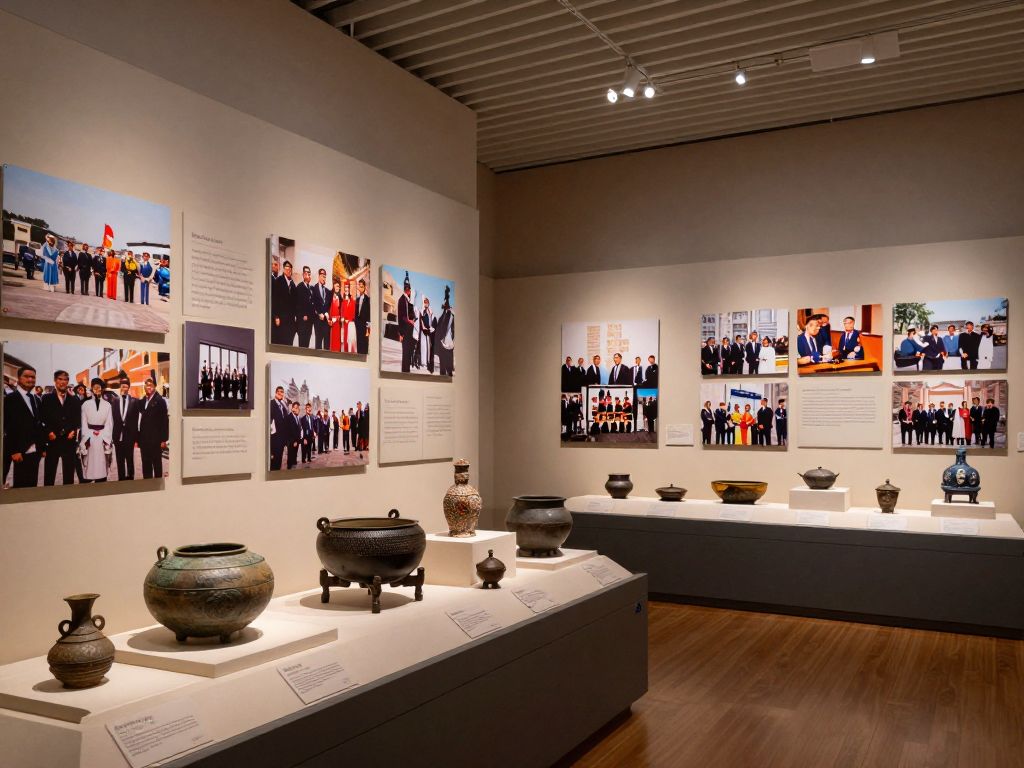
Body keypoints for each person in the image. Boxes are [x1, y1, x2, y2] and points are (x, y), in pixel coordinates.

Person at [39, 370, 82, 486]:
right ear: (55, 380)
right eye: (60, 379)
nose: (63, 382)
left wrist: (73, 430)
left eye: (65, 379)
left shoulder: (74, 400)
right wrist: (48, 432)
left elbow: (77, 419)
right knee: (49, 474)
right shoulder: (46, 398)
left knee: (68, 475)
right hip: (53, 441)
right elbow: (42, 418)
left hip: (69, 441)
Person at [4, 365, 43, 487]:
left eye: (33, 377)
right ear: (19, 378)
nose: (30, 379)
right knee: (20, 485)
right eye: (26, 376)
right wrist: (14, 450)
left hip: (35, 450)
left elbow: (38, 423)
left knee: (32, 485)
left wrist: (41, 447)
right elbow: (8, 427)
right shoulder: (10, 399)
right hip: (20, 450)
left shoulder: (36, 399)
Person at [79, 378, 113, 483]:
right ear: (92, 388)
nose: (97, 389)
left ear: (102, 389)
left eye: (99, 387)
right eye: (95, 386)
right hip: (90, 436)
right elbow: (83, 423)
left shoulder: (107, 405)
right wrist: (88, 435)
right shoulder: (85, 404)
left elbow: (109, 423)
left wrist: (104, 436)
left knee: (102, 466)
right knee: (90, 466)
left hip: (102, 437)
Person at [137, 378, 168, 479]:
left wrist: (163, 440)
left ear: (154, 386)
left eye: (150, 385)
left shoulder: (160, 401)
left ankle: (158, 488)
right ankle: (148, 487)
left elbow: (164, 421)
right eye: (146, 385)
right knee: (146, 466)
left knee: (157, 466)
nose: (148, 387)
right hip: (144, 440)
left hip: (156, 440)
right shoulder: (142, 401)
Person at [110, 378, 138, 481]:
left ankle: (131, 476)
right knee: (119, 459)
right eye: (123, 385)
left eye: (126, 385)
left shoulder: (134, 401)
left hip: (129, 436)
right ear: (120, 386)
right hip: (118, 435)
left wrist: (135, 437)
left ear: (129, 387)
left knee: (129, 458)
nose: (124, 387)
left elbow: (136, 420)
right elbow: (112, 418)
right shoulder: (115, 401)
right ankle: (121, 477)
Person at [270, 260, 296, 345]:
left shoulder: (292, 284)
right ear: (283, 269)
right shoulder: (278, 281)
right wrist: (276, 316)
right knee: (280, 341)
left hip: (290, 321)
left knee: (289, 343)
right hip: (281, 319)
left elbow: (295, 302)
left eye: (290, 269)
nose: (288, 271)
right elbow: (274, 300)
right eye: (287, 268)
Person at [398, 272, 416, 372]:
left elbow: (411, 314)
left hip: (411, 330)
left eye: (409, 289)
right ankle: (404, 372)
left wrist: (413, 319)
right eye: (407, 289)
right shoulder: (401, 300)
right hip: (405, 330)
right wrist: (401, 333)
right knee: (405, 353)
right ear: (406, 289)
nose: (409, 291)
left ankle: (407, 371)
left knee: (409, 352)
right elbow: (401, 317)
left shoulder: (410, 301)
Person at [435, 287, 455, 377]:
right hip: (444, 342)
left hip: (448, 342)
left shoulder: (449, 316)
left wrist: (447, 294)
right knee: (444, 364)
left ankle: (448, 373)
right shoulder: (443, 317)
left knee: (448, 364)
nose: (443, 307)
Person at [294, 265, 315, 348]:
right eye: (306, 273)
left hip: (309, 322)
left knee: (307, 345)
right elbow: (297, 304)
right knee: (302, 345)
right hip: (302, 322)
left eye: (309, 274)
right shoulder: (299, 287)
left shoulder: (311, 288)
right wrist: (303, 315)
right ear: (303, 275)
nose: (308, 275)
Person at [269, 386, 289, 470]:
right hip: (274, 438)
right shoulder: (271, 404)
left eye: (282, 392)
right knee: (273, 461)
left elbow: (286, 421)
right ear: (276, 392)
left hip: (282, 439)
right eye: (279, 392)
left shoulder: (283, 406)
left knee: (279, 460)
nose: (281, 394)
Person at [312, 268, 331, 350]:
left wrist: (327, 313)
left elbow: (329, 305)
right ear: (319, 276)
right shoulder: (313, 289)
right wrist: (318, 313)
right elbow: (313, 304)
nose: (324, 278)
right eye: (322, 276)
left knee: (327, 344)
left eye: (325, 276)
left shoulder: (327, 291)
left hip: (326, 321)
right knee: (318, 343)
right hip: (318, 321)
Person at [354, 278, 371, 355]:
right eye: (359, 286)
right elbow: (356, 312)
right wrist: (355, 322)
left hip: (364, 325)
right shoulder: (357, 299)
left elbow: (369, 314)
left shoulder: (368, 299)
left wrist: (368, 327)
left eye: (362, 286)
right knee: (359, 342)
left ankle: (364, 357)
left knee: (364, 343)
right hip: (358, 324)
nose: (360, 288)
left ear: (364, 287)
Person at [419, 296, 435, 372]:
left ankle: (427, 361)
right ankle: (423, 362)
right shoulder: (422, 311)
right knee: (423, 346)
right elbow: (421, 321)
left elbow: (431, 321)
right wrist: (424, 328)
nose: (426, 304)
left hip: (428, 331)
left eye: (427, 302)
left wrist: (431, 328)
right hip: (423, 332)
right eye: (425, 302)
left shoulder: (430, 311)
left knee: (428, 346)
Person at [327, 279, 344, 353]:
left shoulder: (340, 296)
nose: (338, 288)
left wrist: (340, 317)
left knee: (337, 339)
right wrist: (329, 319)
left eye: (339, 286)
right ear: (333, 286)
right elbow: (327, 308)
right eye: (337, 286)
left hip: (338, 322)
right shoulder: (330, 294)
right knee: (331, 339)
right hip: (331, 321)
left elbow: (342, 309)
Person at [286, 402, 302, 469]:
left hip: (296, 440)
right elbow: (290, 431)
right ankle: (289, 468)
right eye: (295, 408)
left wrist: (298, 440)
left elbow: (298, 429)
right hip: (292, 441)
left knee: (294, 455)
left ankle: (293, 464)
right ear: (292, 408)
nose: (297, 409)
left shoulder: (297, 417)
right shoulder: (289, 417)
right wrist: (294, 441)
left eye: (298, 408)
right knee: (290, 455)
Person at [342, 282, 356, 354]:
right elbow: (342, 311)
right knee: (345, 338)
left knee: (350, 339)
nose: (346, 289)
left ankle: (351, 353)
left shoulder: (353, 301)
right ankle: (346, 352)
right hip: (345, 323)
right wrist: (343, 318)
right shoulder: (343, 300)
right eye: (345, 287)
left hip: (350, 323)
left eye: (347, 287)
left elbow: (354, 313)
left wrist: (349, 320)